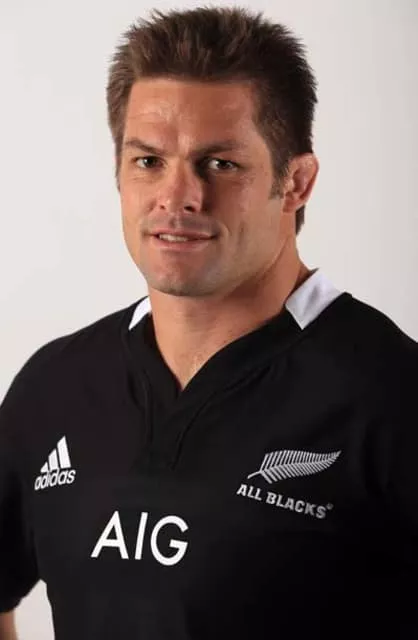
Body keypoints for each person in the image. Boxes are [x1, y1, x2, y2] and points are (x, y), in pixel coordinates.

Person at [0, 5, 417, 639]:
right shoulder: (55, 386)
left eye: (220, 164)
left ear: (297, 182)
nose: (178, 197)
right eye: (148, 161)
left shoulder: (393, 397)